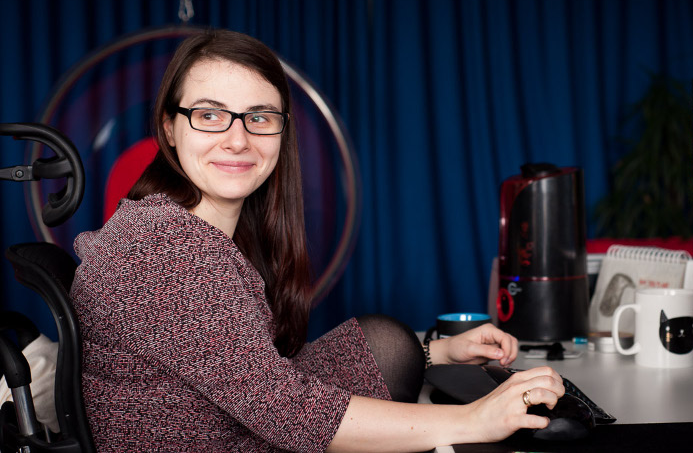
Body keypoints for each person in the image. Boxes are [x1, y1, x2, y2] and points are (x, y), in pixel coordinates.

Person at [69, 28, 564, 452]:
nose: (238, 140)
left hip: (218, 428)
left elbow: (248, 371)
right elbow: (282, 407)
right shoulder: (167, 249)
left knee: (391, 342)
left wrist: (437, 352)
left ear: (281, 132)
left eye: (259, 117)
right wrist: (476, 419)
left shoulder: (178, 227)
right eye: (210, 115)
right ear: (169, 128)